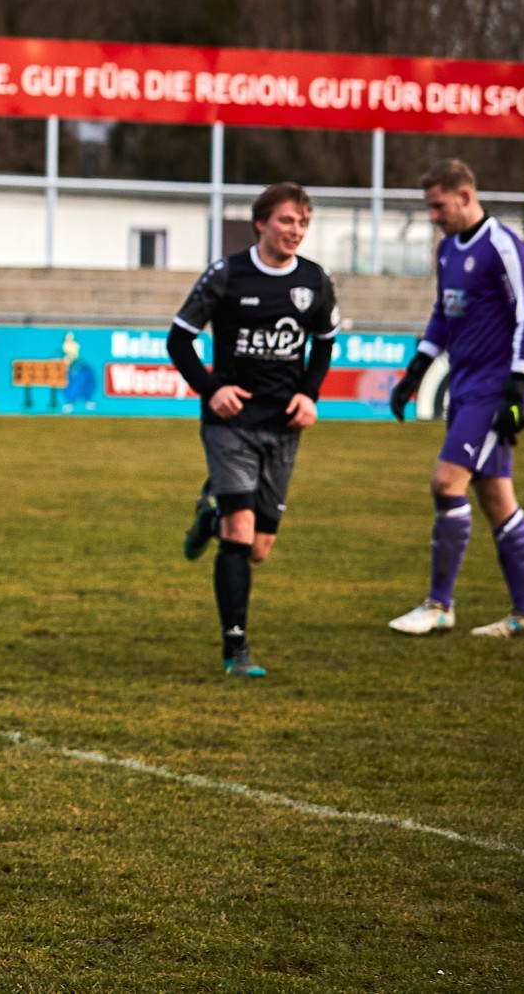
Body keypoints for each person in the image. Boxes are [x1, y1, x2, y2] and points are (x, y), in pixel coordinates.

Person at [169, 182, 339, 678]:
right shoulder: (226, 275)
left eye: (304, 222)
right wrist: (210, 389)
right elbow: (179, 340)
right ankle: (235, 648)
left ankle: (211, 510)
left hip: (282, 426)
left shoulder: (315, 280)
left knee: (259, 547)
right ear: (261, 223)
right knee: (239, 535)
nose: (296, 231)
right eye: (287, 220)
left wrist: (310, 394)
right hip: (231, 423)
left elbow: (325, 342)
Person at [386, 158, 524, 638]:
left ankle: (439, 605)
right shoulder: (448, 249)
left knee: (445, 483)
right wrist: (415, 371)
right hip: (463, 384)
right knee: (496, 498)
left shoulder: (502, 245)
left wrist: (516, 386)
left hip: (491, 389)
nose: (433, 216)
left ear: (464, 195)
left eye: (438, 206)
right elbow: (444, 314)